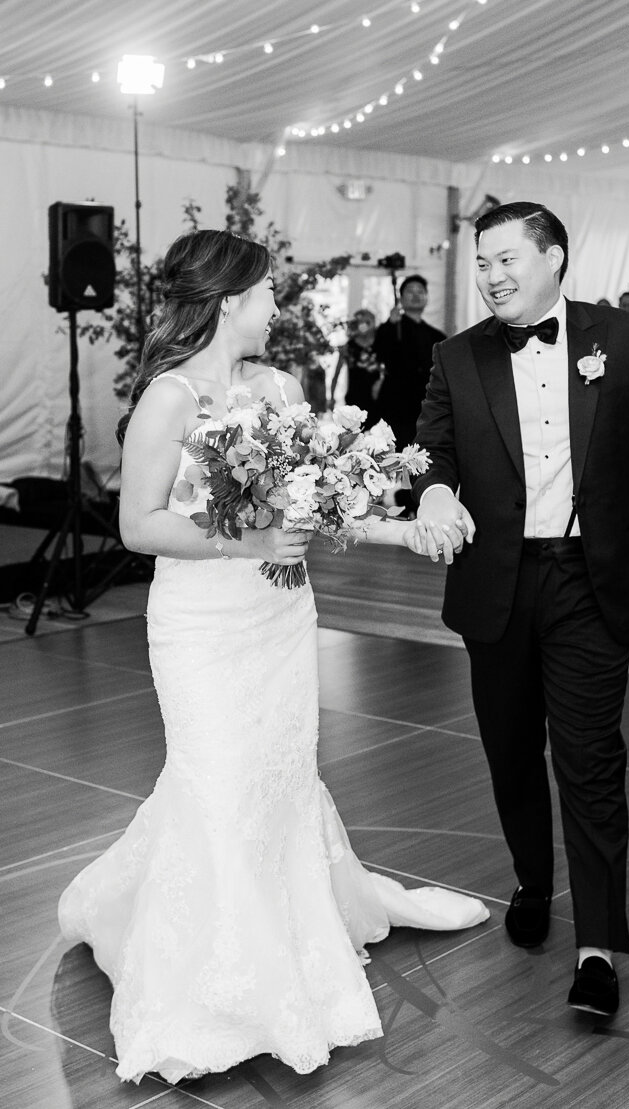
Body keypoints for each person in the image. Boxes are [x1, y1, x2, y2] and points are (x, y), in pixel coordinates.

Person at [56, 229, 488, 1084]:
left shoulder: (284, 386)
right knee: (216, 780)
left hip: (282, 617)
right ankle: (217, 984)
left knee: (278, 777)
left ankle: (290, 929)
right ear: (228, 303)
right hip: (205, 626)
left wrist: (402, 529)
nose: (276, 306)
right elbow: (139, 524)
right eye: (265, 294)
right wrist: (246, 538)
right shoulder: (169, 399)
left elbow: (318, 507)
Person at [408, 201, 629, 1017]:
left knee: (589, 758)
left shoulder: (623, 337)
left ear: (555, 258)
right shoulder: (455, 356)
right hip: (493, 581)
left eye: (507, 258)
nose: (492, 275)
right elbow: (430, 446)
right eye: (483, 262)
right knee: (510, 750)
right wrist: (434, 488)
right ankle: (532, 880)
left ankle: (598, 946)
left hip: (589, 576)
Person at [373, 273, 446, 450]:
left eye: (420, 291)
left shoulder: (437, 336)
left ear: (427, 297)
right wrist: (390, 324)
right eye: (410, 291)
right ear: (401, 297)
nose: (415, 295)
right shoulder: (391, 328)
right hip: (396, 402)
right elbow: (379, 352)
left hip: (425, 403)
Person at [328, 307, 383, 413]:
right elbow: (336, 374)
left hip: (378, 399)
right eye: (361, 322)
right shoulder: (348, 347)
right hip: (355, 402)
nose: (365, 325)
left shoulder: (380, 346)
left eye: (368, 321)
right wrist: (331, 397)